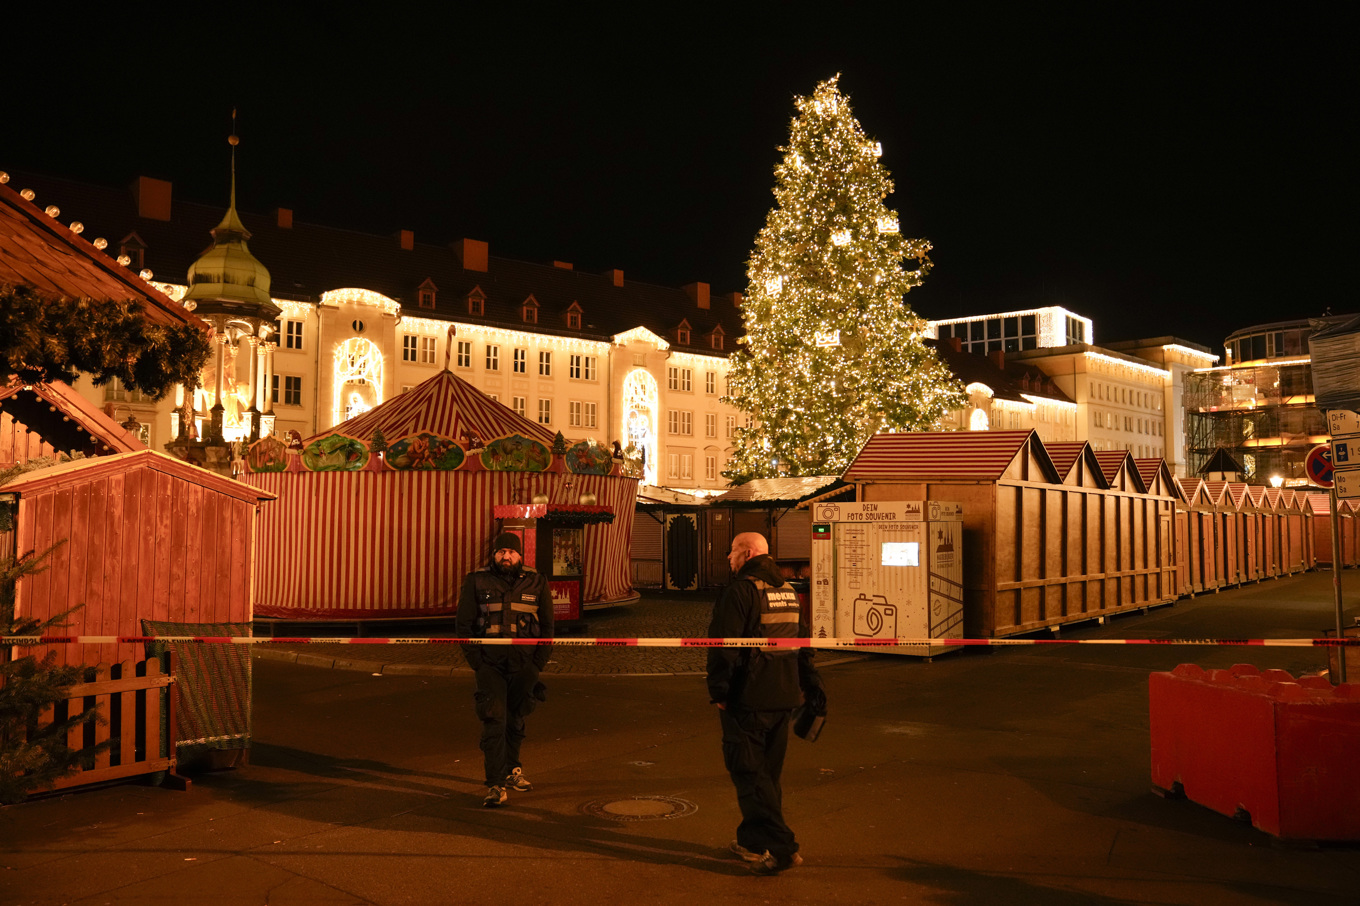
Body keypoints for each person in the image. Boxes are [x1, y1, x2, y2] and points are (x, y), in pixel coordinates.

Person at [706, 532, 825, 875]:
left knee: (748, 773)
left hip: (749, 698)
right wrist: (809, 686)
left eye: (731, 552)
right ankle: (751, 841)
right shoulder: (787, 592)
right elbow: (803, 645)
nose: (728, 558)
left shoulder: (740, 591)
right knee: (767, 776)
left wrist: (720, 693)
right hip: (783, 696)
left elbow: (723, 648)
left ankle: (783, 848)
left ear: (746, 553)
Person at [456, 531, 553, 807]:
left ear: (520, 555)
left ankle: (512, 771)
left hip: (524, 666)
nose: (505, 556)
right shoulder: (477, 581)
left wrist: (537, 665)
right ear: (494, 555)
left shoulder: (537, 581)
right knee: (494, 720)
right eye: (501, 552)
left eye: (510, 552)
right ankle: (496, 785)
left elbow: (547, 627)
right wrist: (478, 663)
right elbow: (463, 625)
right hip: (491, 665)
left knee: (517, 718)